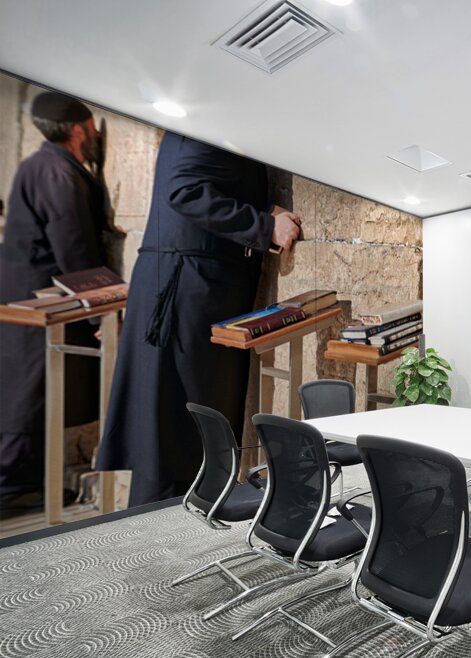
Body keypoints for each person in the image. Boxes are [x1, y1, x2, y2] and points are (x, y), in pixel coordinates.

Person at [95, 132, 300, 506]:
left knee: (181, 429)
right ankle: (159, 550)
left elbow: (209, 182)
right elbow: (184, 189)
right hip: (186, 291)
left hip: (187, 286)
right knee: (176, 432)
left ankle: (173, 540)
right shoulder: (202, 122)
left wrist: (261, 210)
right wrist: (264, 226)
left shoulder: (203, 119)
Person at [0, 92, 106, 503]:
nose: (96, 135)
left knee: (30, 386)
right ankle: (14, 483)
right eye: (94, 128)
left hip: (27, 294)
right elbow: (74, 246)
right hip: (38, 297)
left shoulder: (41, 165)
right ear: (79, 129)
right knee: (31, 387)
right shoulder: (56, 173)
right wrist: (100, 313)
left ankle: (23, 480)